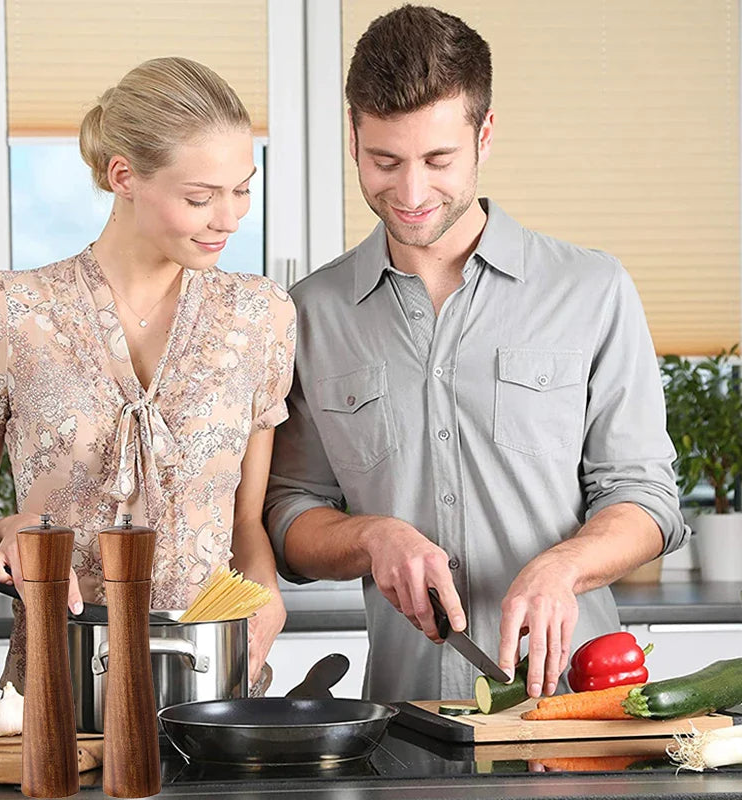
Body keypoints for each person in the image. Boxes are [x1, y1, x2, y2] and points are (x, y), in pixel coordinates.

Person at [264, 5, 687, 703]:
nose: (410, 193)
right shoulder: (311, 313)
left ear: (485, 135)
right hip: (405, 723)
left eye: (437, 160)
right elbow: (290, 511)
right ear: (353, 139)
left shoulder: (591, 288)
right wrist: (371, 537)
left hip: (579, 713)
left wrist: (567, 566)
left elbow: (645, 497)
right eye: (384, 161)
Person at [0, 56, 295, 693]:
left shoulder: (263, 317)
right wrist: (7, 531)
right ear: (124, 176)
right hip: (57, 691)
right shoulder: (10, 311)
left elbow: (245, 526)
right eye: (200, 197)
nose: (231, 218)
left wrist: (266, 594)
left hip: (213, 690)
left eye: (242, 188)